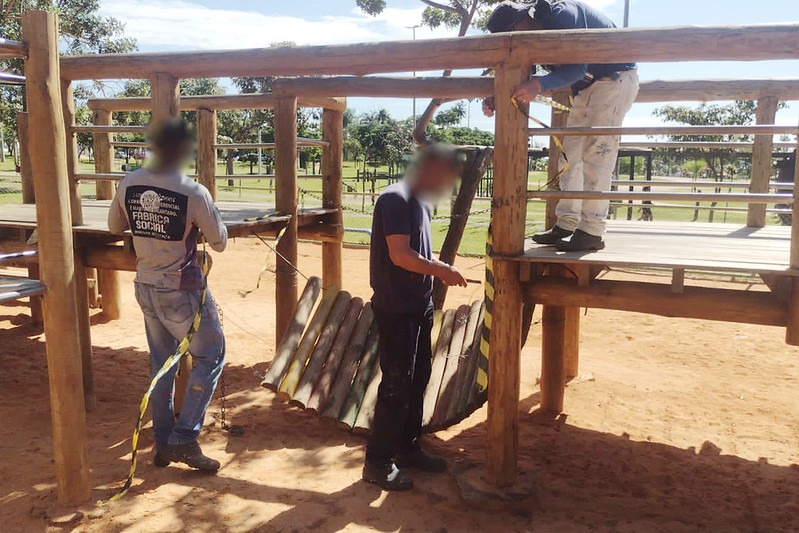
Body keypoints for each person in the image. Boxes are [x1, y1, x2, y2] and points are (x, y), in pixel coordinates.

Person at [108, 117, 228, 472]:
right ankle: (185, 438)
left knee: (162, 366)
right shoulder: (193, 192)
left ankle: (163, 443)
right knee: (210, 356)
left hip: (145, 285)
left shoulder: (130, 182)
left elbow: (115, 227)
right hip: (179, 290)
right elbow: (218, 241)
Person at [484, 0, 639, 251]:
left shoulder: (562, 15)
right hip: (586, 87)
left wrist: (537, 86)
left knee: (597, 154)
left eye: (511, 35)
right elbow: (520, 75)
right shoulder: (533, 35)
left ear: (522, 21)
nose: (513, 42)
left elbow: (577, 67)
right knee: (570, 156)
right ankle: (567, 222)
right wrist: (499, 96)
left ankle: (591, 230)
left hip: (615, 79)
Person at [363, 144, 468, 491]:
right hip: (396, 306)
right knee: (395, 386)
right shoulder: (395, 199)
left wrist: (434, 269)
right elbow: (400, 255)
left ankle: (406, 448)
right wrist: (442, 270)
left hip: (417, 303)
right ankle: (377, 463)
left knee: (418, 378)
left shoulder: (419, 202)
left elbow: (421, 249)